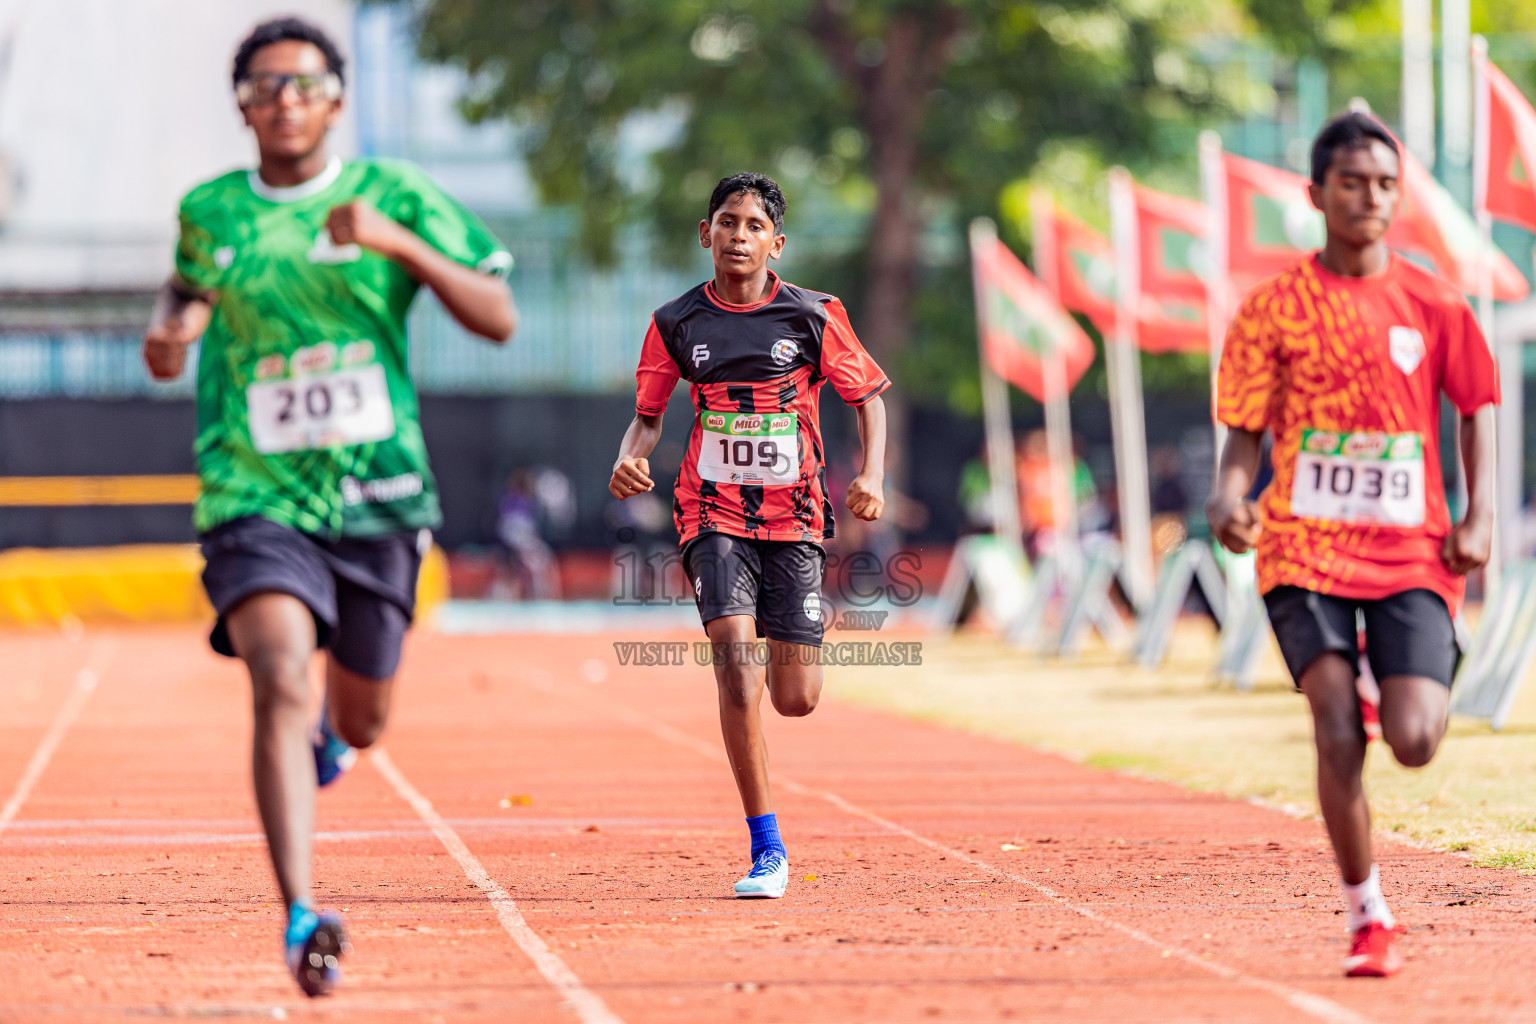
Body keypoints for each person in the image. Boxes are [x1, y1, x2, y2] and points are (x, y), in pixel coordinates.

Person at [141, 18, 516, 996]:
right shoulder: (211, 209)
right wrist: (170, 332)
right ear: (243, 104)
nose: (284, 101)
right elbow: (185, 290)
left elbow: (498, 316)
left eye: (302, 83)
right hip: (253, 490)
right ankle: (302, 909)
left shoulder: (393, 195)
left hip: (380, 497)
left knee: (363, 714)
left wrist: (395, 243)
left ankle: (335, 744)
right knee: (278, 675)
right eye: (264, 86)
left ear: (335, 99)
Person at [1206, 111, 1497, 979]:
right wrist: (1228, 498)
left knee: (1413, 741)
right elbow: (1242, 439)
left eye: (1383, 184)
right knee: (1337, 730)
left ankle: (1412, 665)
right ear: (1316, 194)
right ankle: (1367, 916)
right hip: (1305, 547)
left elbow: (1478, 404)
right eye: (1351, 183)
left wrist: (1480, 515)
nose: (1370, 198)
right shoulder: (1272, 310)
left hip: (1412, 550)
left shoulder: (1434, 300)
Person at [608, 173, 888, 899]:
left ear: (776, 242)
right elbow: (649, 413)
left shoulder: (814, 315)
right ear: (706, 234)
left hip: (794, 516)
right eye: (726, 222)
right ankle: (767, 848)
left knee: (795, 697)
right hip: (711, 511)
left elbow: (869, 399)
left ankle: (795, 631)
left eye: (753, 225)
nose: (738, 235)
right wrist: (629, 457)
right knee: (736, 664)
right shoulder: (676, 322)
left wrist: (873, 477)